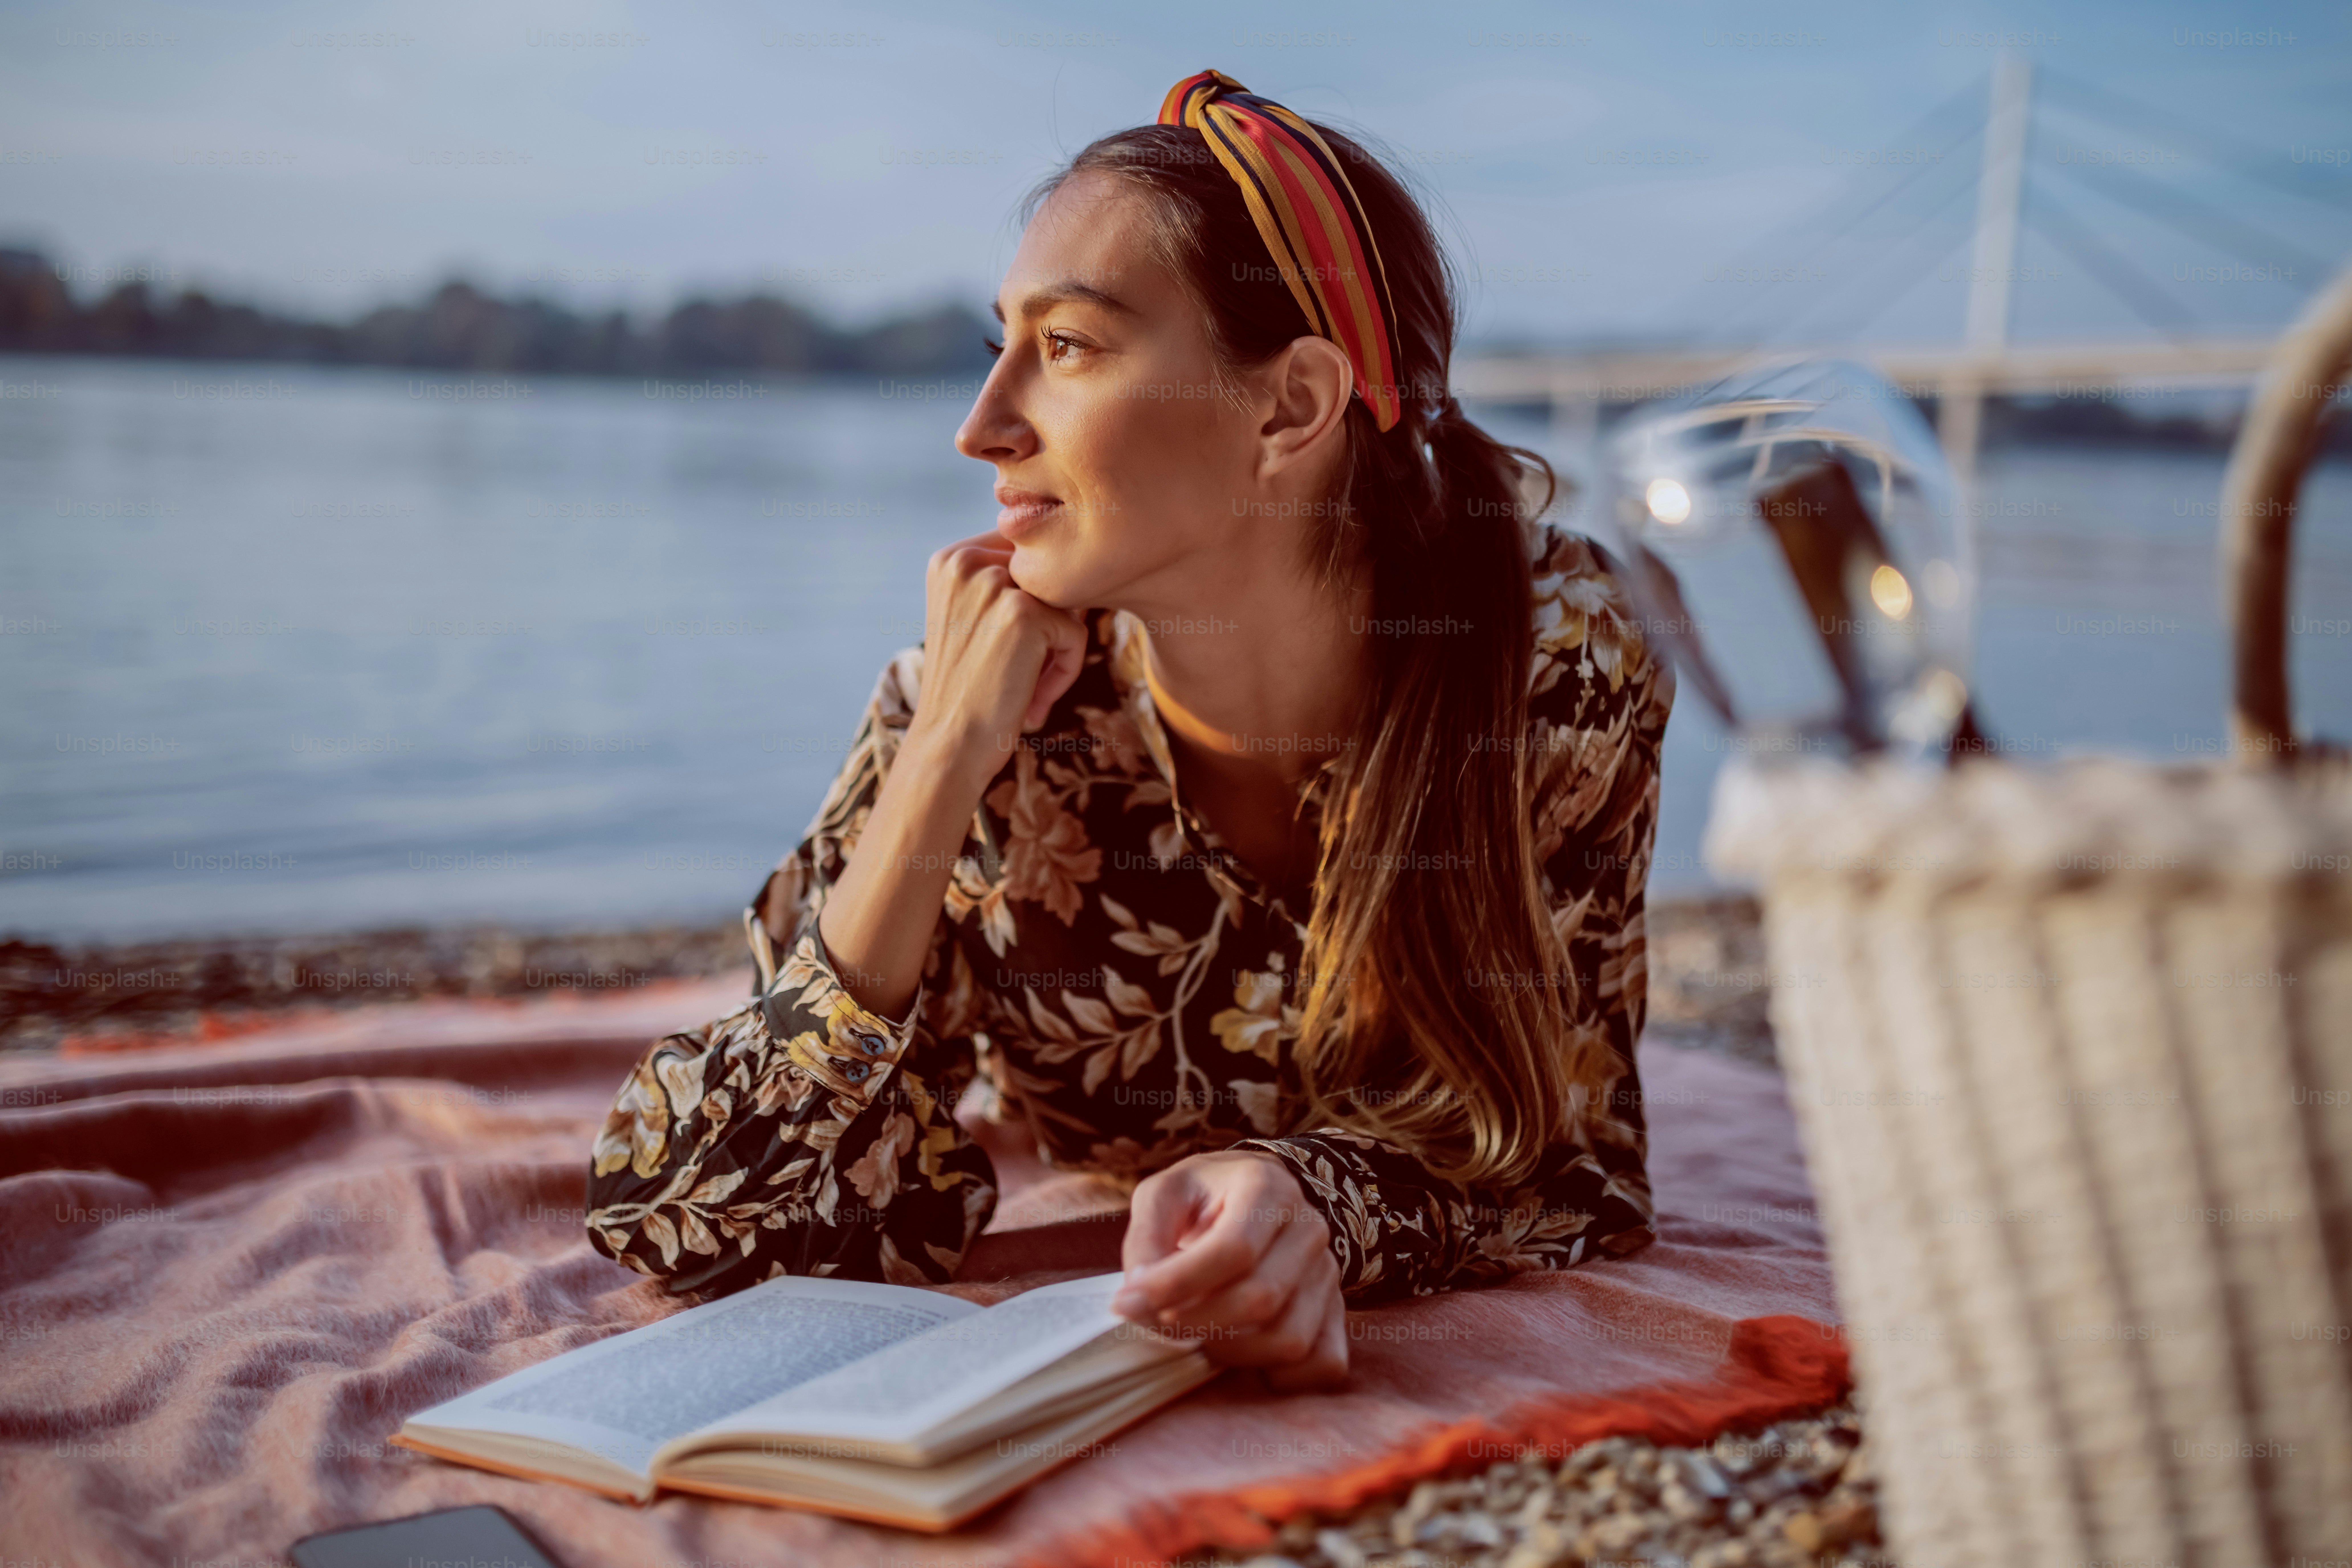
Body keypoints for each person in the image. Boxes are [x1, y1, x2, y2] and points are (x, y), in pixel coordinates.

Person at [586, 70, 1674, 1393]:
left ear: (1291, 407)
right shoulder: (991, 695)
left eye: (1069, 347)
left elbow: (1581, 1166)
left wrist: (1318, 1203)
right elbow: (687, 1206)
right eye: (1002, 342)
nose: (981, 425)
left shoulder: (1545, 661)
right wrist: (936, 763)